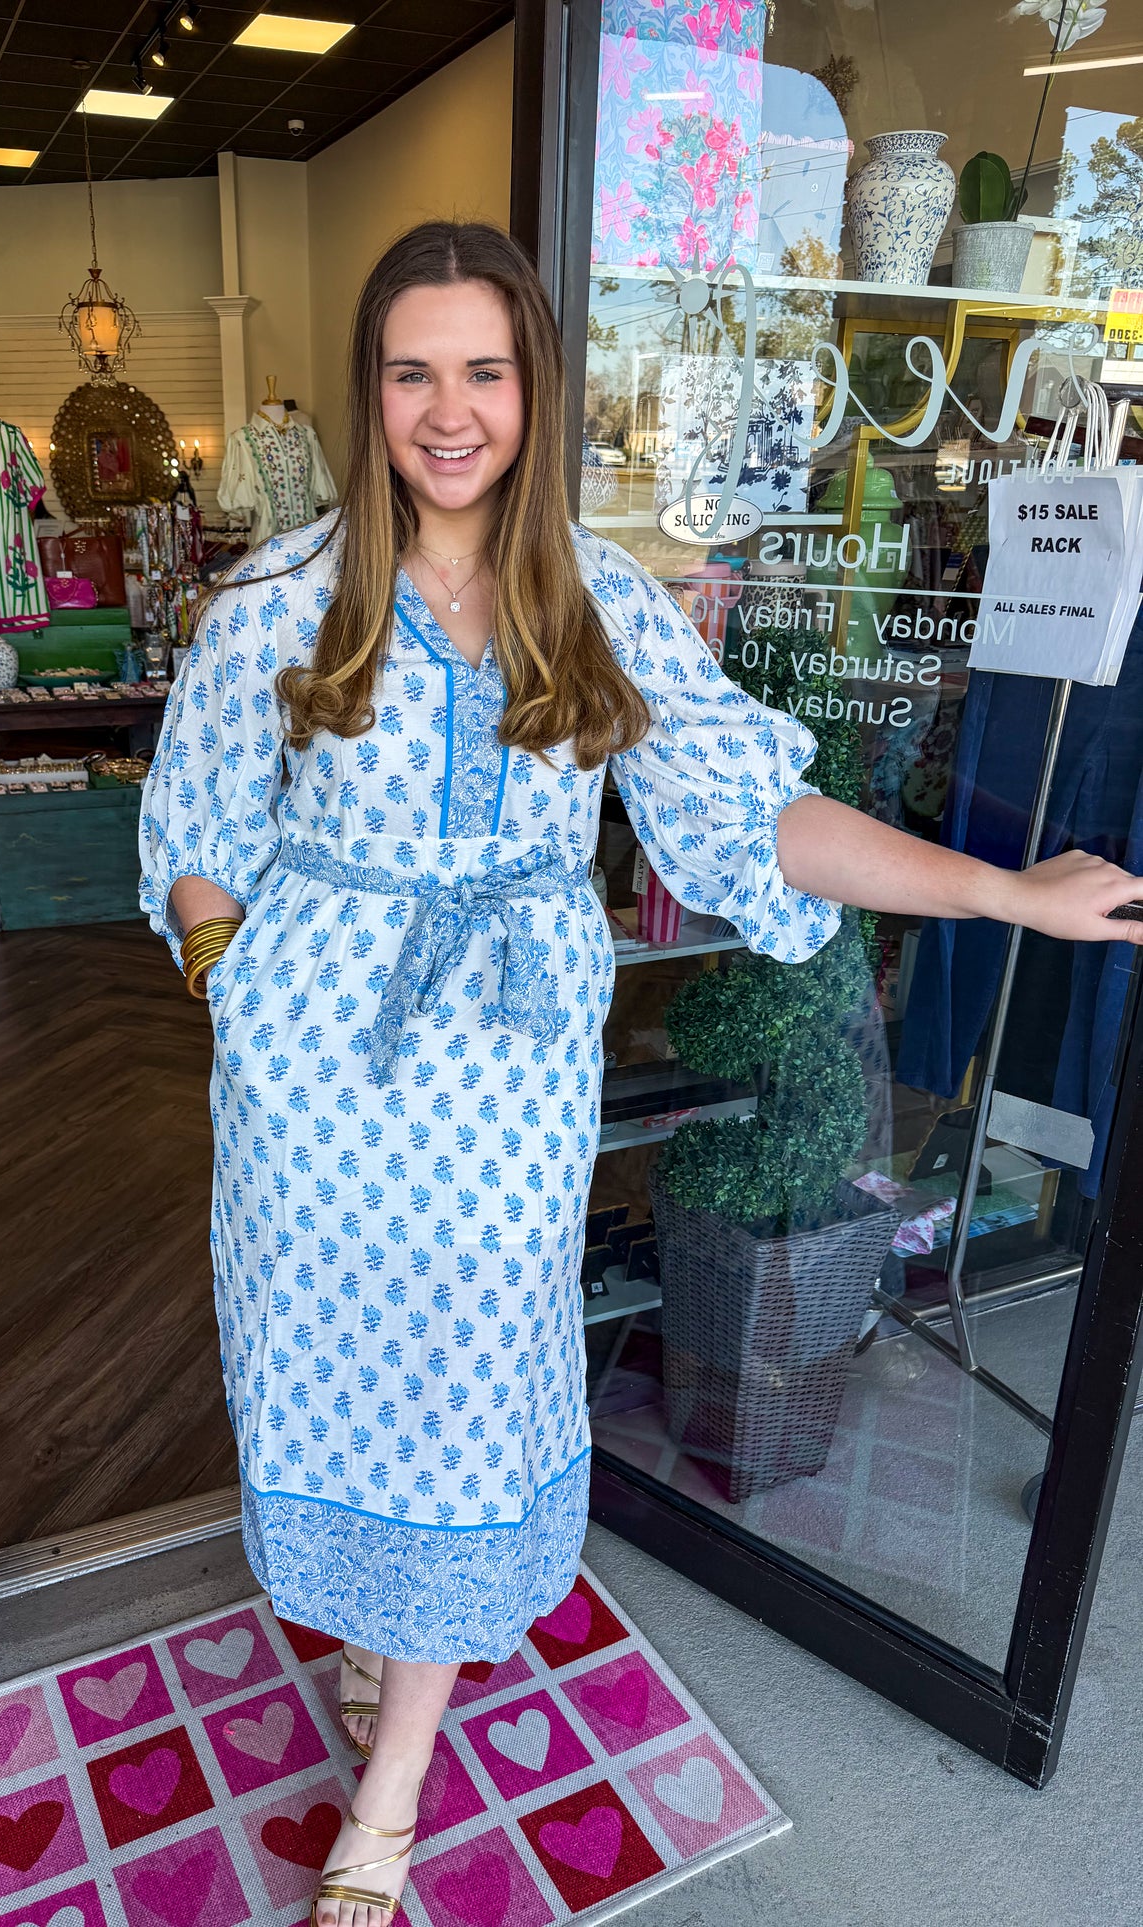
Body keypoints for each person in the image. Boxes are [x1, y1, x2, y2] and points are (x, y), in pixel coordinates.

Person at [138, 221, 1143, 1927]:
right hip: (312, 1099)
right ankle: (392, 1648)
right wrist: (246, 995)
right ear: (370, 384)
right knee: (337, 1386)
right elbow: (195, 832)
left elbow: (754, 813)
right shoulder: (271, 601)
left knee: (464, 1405)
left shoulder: (593, 598)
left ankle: (385, 1802)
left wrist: (998, 888)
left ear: (533, 385)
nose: (447, 412)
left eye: (485, 370)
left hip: (504, 1093)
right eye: (410, 371)